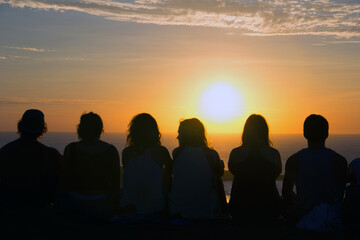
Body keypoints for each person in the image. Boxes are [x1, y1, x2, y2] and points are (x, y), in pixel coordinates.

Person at [282, 114, 348, 224]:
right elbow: (340, 195)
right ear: (327, 133)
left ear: (304, 133)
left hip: (302, 215)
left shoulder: (294, 160)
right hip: (331, 216)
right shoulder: (339, 161)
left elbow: (286, 193)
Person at [0, 109, 61, 221]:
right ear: (43, 129)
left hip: (8, 211)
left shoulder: (4, 152)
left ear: (20, 127)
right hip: (39, 212)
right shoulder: (51, 155)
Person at [61, 112, 120, 220]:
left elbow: (64, 180)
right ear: (100, 129)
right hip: (102, 202)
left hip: (75, 201)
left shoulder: (71, 149)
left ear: (80, 129)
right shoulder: (111, 150)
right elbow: (115, 183)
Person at [168, 118, 226, 220]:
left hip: (178, 211)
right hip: (205, 211)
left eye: (180, 133)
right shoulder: (211, 154)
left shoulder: (177, 153)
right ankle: (224, 210)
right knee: (216, 177)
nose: (177, 137)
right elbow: (220, 172)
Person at [228, 114, 281, 222]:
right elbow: (276, 173)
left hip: (240, 208)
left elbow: (232, 170)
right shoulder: (274, 154)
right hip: (269, 208)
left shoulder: (236, 153)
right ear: (265, 132)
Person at [120, 113, 172, 216]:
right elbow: (170, 175)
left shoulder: (126, 152)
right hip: (156, 207)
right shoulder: (162, 152)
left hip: (129, 207)